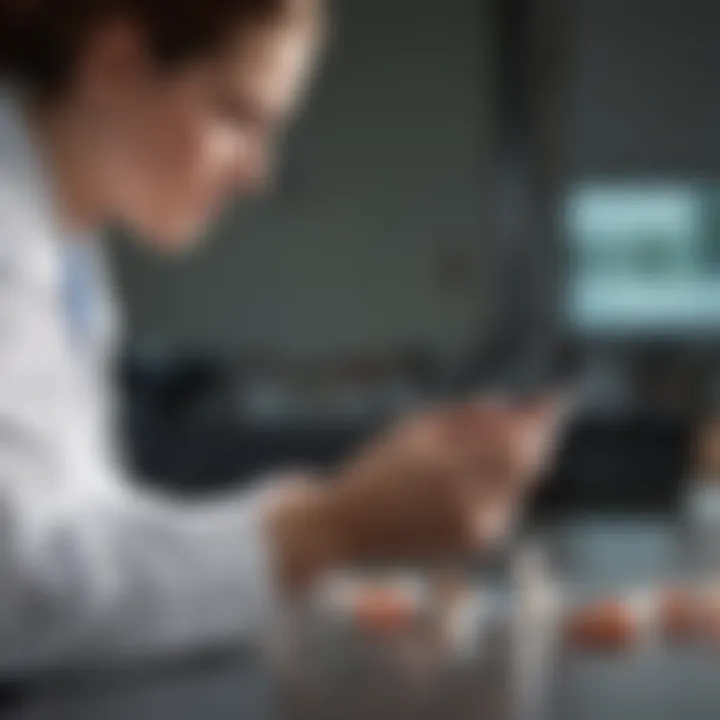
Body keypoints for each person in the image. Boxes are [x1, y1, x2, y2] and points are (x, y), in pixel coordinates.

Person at [0, 0, 558, 671]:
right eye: (237, 116)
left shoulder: (70, 254)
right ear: (117, 62)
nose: (258, 171)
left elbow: (85, 536)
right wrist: (329, 528)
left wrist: (322, 537)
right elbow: (20, 595)